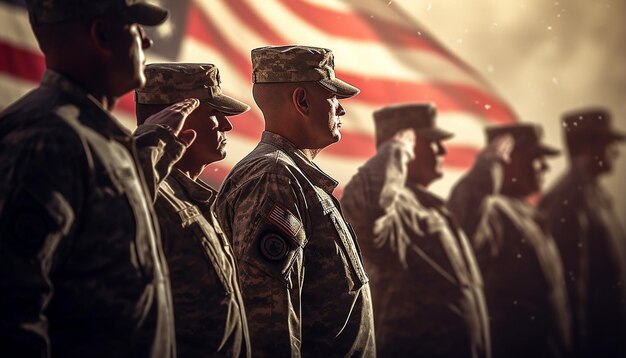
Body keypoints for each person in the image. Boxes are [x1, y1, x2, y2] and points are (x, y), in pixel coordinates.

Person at [0, 1, 195, 356]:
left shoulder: (93, 135)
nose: (147, 42)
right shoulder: (44, 138)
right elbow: (12, 313)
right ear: (102, 34)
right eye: (136, 28)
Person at [215, 45, 375, 357]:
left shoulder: (291, 176)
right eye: (332, 96)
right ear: (302, 101)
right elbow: (269, 319)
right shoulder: (273, 177)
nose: (341, 110)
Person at [341, 103, 491, 358]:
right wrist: (395, 152)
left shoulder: (430, 207)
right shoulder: (394, 209)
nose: (442, 149)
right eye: (432, 141)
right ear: (407, 146)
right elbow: (364, 212)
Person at [135, 63, 252, 358]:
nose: (227, 125)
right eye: (215, 113)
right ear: (177, 117)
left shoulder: (188, 196)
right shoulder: (149, 196)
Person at [449, 124, 572, 358]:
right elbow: (463, 230)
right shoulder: (493, 211)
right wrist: (485, 172)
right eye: (535, 158)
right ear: (509, 161)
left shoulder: (526, 211)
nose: (545, 166)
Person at [539, 108, 626, 357]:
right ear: (588, 148)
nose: (616, 151)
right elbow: (571, 289)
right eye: (609, 143)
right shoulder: (569, 200)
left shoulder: (595, 195)